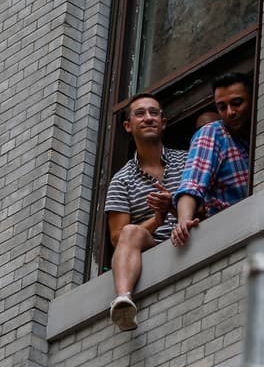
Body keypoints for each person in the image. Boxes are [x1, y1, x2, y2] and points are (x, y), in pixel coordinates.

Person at [106, 93, 187, 331]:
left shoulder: (187, 160)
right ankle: (123, 299)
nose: (148, 118)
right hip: (153, 249)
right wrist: (157, 219)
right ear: (128, 126)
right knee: (130, 232)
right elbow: (116, 238)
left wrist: (172, 207)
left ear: (163, 122)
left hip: (191, 236)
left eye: (154, 113)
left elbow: (206, 206)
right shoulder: (122, 180)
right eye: (140, 114)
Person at [170, 73, 254, 248]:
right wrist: (184, 222)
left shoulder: (261, 131)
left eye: (237, 103)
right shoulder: (214, 133)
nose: (230, 112)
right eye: (222, 107)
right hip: (225, 233)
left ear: (253, 99)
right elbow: (192, 183)